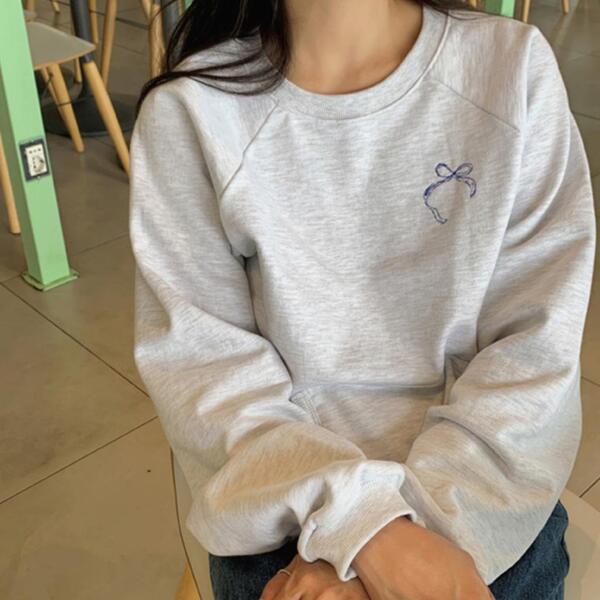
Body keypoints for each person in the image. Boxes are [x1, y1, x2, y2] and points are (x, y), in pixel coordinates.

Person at [128, 0, 596, 598]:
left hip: (481, 498)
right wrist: (367, 532)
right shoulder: (191, 112)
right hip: (288, 513)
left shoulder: (511, 69)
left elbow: (533, 353)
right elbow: (206, 375)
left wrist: (394, 538)